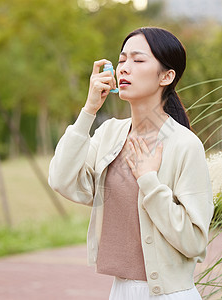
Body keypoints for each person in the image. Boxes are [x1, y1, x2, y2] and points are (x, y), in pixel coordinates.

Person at [48, 27, 213, 299]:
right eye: (122, 59)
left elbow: (194, 242)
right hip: (121, 290)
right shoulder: (109, 134)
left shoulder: (185, 145)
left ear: (166, 76)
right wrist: (89, 111)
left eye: (138, 60)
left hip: (169, 294)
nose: (124, 68)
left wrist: (149, 180)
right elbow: (61, 180)